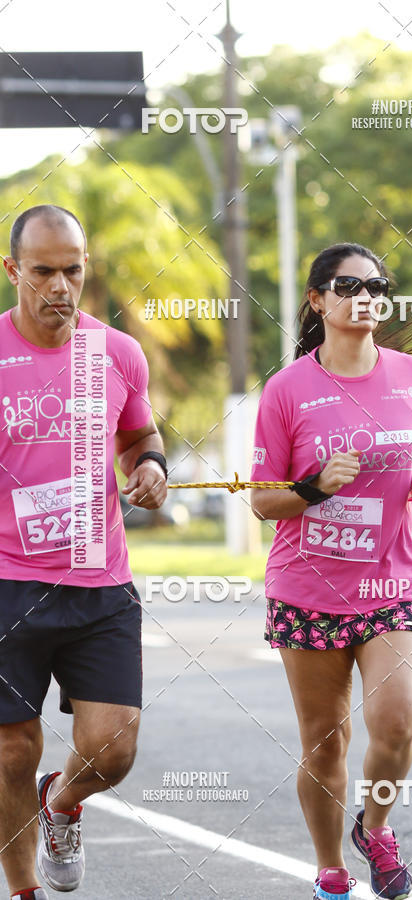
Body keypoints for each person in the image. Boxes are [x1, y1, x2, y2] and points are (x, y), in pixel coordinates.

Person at [250, 243, 412, 900]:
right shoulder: (286, 390)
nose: (365, 296)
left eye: (377, 286)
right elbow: (261, 500)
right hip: (308, 589)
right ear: (317, 300)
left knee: (396, 723)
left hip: (391, 582)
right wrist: (311, 489)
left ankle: (378, 828)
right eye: (347, 285)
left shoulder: (411, 375)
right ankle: (331, 871)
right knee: (325, 744)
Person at [0, 205, 168, 900]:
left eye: (72, 270)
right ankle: (24, 890)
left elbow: (139, 434)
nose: (59, 287)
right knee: (11, 751)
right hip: (7, 582)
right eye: (43, 272)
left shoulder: (118, 353)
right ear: (14, 271)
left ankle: (62, 803)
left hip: (99, 582)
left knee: (113, 748)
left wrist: (151, 465)